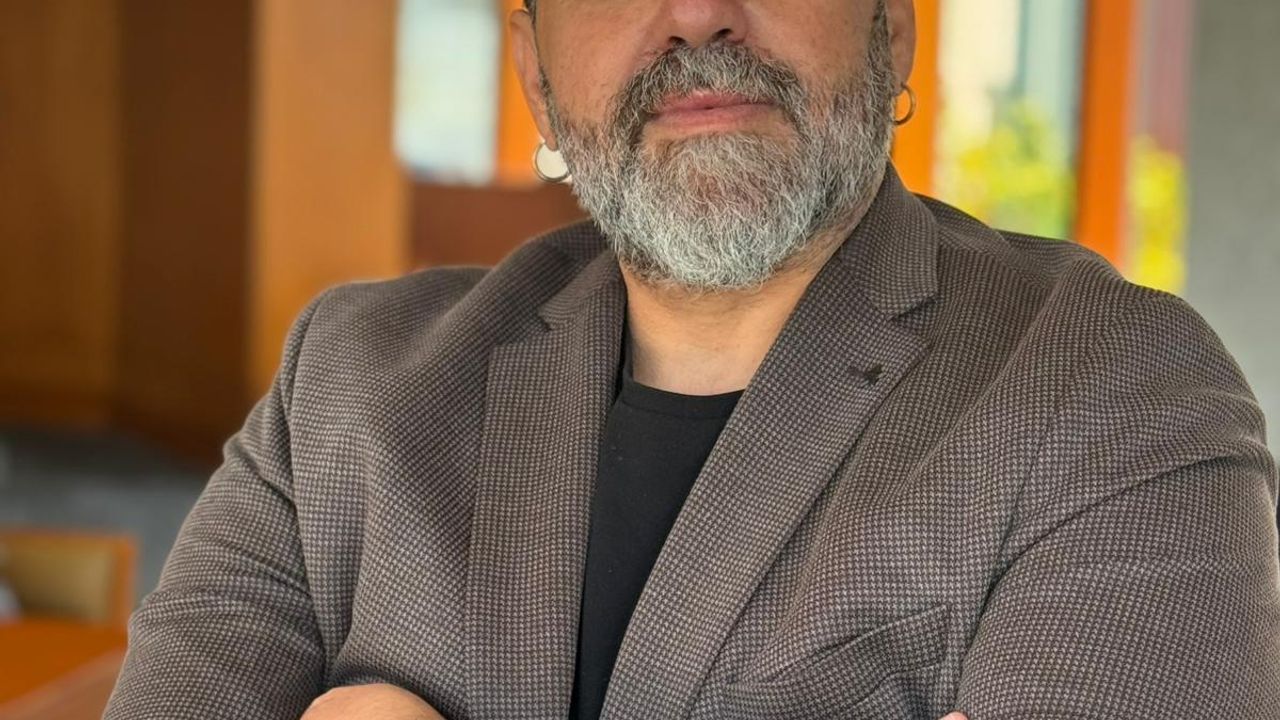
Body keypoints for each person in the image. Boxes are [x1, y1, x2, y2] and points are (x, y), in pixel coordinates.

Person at [104, 0, 1280, 718]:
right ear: (534, 74)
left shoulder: (1115, 395)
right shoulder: (345, 381)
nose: (698, 16)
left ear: (889, 28)